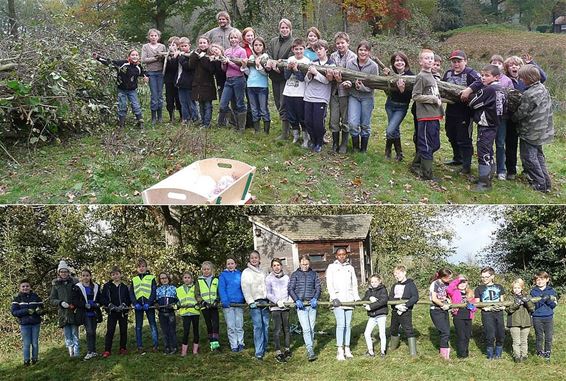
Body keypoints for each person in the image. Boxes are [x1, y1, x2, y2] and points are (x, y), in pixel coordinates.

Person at [512, 64, 554, 193]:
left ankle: (539, 184)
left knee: (529, 158)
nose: (520, 80)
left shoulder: (529, 94)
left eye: (522, 78)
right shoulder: (542, 88)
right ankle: (546, 182)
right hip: (542, 130)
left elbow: (521, 113)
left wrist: (512, 117)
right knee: (539, 156)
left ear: (528, 78)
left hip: (530, 131)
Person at [468, 64, 506, 191]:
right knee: (489, 150)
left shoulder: (488, 89)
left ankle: (484, 184)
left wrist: (473, 99)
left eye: (487, 76)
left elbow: (473, 103)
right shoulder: (502, 89)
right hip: (495, 124)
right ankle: (487, 176)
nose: (483, 78)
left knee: (483, 150)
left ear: (496, 77)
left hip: (486, 124)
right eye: (482, 75)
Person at [443, 50, 481, 174]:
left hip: (465, 112)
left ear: (465, 61)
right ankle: (457, 158)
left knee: (464, 138)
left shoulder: (471, 73)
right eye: (454, 61)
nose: (456, 64)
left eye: (459, 61)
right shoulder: (448, 73)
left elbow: (481, 81)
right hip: (450, 110)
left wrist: (469, 89)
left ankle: (466, 165)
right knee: (451, 134)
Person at [92, 50, 148, 129]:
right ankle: (121, 123)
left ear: (138, 57)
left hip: (132, 90)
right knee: (122, 106)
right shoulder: (122, 63)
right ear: (128, 56)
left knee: (136, 105)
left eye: (136, 55)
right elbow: (110, 62)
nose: (134, 56)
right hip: (122, 89)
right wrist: (98, 57)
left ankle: (140, 122)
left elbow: (143, 73)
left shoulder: (138, 66)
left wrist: (146, 77)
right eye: (132, 55)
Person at [411, 49, 443, 180]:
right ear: (420, 61)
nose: (430, 60)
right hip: (425, 116)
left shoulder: (432, 76)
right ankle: (426, 174)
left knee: (435, 144)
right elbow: (416, 96)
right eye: (426, 58)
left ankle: (416, 164)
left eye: (431, 58)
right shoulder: (421, 76)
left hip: (435, 115)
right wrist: (433, 100)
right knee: (426, 144)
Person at [343, 40, 378, 153]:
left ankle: (363, 149)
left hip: (367, 97)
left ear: (369, 52)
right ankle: (355, 147)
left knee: (365, 123)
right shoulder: (350, 63)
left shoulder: (373, 66)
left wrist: (362, 87)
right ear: (357, 51)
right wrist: (348, 83)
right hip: (354, 96)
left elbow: (375, 84)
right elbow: (347, 77)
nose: (363, 52)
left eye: (365, 50)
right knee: (353, 123)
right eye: (361, 50)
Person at [326, 248, 360, 361]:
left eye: (343, 254)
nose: (341, 256)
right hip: (338, 300)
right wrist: (333, 297)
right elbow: (329, 283)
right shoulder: (332, 267)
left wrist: (356, 297)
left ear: (346, 255)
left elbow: (354, 284)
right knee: (341, 325)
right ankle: (340, 350)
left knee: (348, 324)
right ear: (336, 256)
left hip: (349, 299)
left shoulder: (350, 268)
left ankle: (347, 348)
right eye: (339, 254)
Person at [288, 254, 321, 361]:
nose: (305, 266)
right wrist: (296, 299)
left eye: (306, 264)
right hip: (301, 306)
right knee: (306, 329)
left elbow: (318, 288)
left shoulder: (314, 274)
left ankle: (310, 347)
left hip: (312, 305)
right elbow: (291, 289)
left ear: (309, 263)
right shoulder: (295, 274)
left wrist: (315, 298)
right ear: (299, 263)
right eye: (303, 264)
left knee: (311, 328)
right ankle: (310, 350)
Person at [304, 39, 334, 152]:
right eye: (316, 49)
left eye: (320, 49)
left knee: (318, 122)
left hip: (321, 97)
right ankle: (313, 140)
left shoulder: (331, 64)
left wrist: (316, 73)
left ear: (326, 49)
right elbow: (306, 80)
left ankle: (319, 142)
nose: (318, 51)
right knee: (308, 121)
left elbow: (327, 81)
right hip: (309, 96)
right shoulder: (313, 62)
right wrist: (309, 73)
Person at [329, 32, 357, 153]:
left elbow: (353, 74)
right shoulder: (333, 56)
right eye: (338, 43)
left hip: (347, 92)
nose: (340, 45)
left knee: (345, 118)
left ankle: (344, 143)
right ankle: (335, 143)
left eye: (342, 43)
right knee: (334, 118)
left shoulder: (353, 57)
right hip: (334, 91)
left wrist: (343, 79)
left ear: (348, 43)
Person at [266, 18, 294, 140]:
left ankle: (285, 133)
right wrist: (271, 62)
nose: (284, 30)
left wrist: (279, 64)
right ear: (279, 29)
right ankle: (288, 127)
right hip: (274, 76)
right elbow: (269, 54)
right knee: (277, 103)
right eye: (282, 27)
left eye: (286, 27)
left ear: (290, 29)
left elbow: (291, 58)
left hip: (285, 77)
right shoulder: (273, 41)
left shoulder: (293, 42)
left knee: (284, 103)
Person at [384, 51, 414, 161]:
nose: (399, 62)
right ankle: (398, 153)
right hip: (390, 105)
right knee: (394, 129)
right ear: (393, 63)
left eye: (401, 60)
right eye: (397, 60)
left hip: (401, 107)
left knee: (390, 130)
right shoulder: (391, 74)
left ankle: (387, 150)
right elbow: (387, 92)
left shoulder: (411, 76)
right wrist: (387, 79)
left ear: (405, 62)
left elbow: (411, 96)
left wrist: (402, 90)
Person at [241, 250, 270, 360]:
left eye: (256, 257)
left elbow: (267, 284)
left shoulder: (264, 271)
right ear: (249, 259)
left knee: (266, 325)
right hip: (255, 302)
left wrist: (269, 298)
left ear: (259, 259)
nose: (254, 259)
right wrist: (250, 301)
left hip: (265, 301)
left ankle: (265, 346)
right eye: (252, 258)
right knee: (258, 326)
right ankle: (259, 351)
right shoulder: (246, 272)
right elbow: (245, 287)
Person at [489, 55, 514, 180]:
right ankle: (488, 168)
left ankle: (501, 170)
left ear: (502, 65)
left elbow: (512, 99)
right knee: (487, 144)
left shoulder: (507, 81)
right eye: (494, 62)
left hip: (502, 118)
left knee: (500, 144)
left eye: (499, 62)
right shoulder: (486, 78)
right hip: (488, 117)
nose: (496, 64)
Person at [218, 30, 248, 132]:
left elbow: (241, 68)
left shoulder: (242, 51)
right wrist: (224, 63)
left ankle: (241, 127)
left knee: (239, 103)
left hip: (239, 79)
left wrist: (229, 62)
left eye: (235, 38)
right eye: (231, 38)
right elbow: (224, 69)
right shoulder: (226, 51)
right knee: (223, 105)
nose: (233, 40)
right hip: (228, 80)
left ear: (239, 39)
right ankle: (234, 122)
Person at [283, 38, 310, 146]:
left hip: (300, 93)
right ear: (293, 49)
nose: (298, 51)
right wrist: (289, 68)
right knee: (291, 115)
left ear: (304, 49)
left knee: (301, 116)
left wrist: (295, 70)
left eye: (301, 49)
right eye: (296, 49)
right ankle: (295, 136)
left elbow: (302, 78)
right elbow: (286, 76)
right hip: (289, 92)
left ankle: (305, 138)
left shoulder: (307, 61)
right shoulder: (289, 59)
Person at [50, 260, 80, 358]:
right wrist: (60, 302)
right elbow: (52, 299)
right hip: (63, 313)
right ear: (59, 273)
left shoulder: (74, 282)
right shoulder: (56, 285)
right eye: (62, 272)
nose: (64, 273)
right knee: (67, 333)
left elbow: (78, 296)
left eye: (65, 271)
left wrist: (74, 304)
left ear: (68, 272)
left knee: (75, 332)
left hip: (73, 311)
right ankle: (70, 351)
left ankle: (77, 352)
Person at [474, 266, 505, 359]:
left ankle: (498, 354)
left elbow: (502, 300)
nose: (484, 279)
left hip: (498, 313)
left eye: (486, 277)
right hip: (487, 314)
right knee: (489, 334)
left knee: (500, 333)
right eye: (482, 277)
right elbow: (477, 303)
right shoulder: (479, 288)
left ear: (492, 276)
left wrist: (501, 306)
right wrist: (484, 307)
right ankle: (490, 355)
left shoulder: (499, 287)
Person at [72, 269, 103, 361]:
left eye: (87, 275)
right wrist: (84, 305)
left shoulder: (96, 287)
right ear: (81, 277)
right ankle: (89, 351)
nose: (85, 277)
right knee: (89, 331)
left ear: (90, 276)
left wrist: (98, 304)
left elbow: (99, 298)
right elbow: (75, 300)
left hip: (94, 312)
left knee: (93, 331)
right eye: (83, 276)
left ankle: (93, 351)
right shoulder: (77, 287)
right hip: (84, 312)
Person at [11, 279, 44, 366]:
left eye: (27, 286)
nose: (25, 288)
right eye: (23, 286)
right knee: (26, 344)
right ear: (20, 288)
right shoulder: (17, 298)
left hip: (35, 323)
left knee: (35, 343)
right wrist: (26, 311)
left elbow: (42, 309)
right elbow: (14, 312)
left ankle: (35, 359)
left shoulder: (36, 296)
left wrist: (39, 311)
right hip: (24, 324)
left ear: (30, 287)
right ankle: (26, 361)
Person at [388, 265, 419, 357]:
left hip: (406, 311)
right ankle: (393, 347)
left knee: (408, 329)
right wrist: (397, 305)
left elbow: (415, 297)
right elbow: (391, 297)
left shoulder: (411, 284)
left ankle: (413, 352)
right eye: (395, 274)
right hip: (395, 310)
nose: (397, 276)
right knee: (393, 328)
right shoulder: (394, 285)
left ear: (404, 272)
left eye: (398, 273)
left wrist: (406, 305)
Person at [101, 266, 131, 358]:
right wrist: (110, 305)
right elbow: (103, 298)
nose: (115, 276)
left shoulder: (124, 286)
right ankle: (107, 350)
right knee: (110, 331)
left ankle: (123, 348)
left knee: (123, 330)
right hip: (112, 312)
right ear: (111, 276)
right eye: (113, 274)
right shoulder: (107, 286)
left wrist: (124, 305)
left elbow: (128, 298)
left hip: (122, 312)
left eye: (117, 274)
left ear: (120, 274)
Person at [130, 258, 159, 353]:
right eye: (139, 267)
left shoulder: (151, 278)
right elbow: (132, 293)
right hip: (138, 306)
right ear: (136, 268)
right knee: (138, 326)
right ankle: (140, 346)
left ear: (146, 267)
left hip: (148, 305)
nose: (141, 268)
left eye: (143, 266)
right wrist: (135, 303)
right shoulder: (134, 279)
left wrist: (149, 302)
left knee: (152, 325)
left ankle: (155, 345)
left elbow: (153, 291)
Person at [188, 36, 217, 129]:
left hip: (208, 84)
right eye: (200, 43)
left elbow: (211, 69)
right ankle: (202, 121)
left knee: (208, 105)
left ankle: (207, 123)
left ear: (208, 44)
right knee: (200, 104)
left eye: (204, 43)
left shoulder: (211, 55)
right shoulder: (195, 54)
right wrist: (195, 56)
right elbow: (191, 65)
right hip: (197, 84)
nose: (202, 44)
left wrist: (203, 58)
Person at [266, 258, 291, 363]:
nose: (277, 267)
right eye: (274, 265)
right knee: (277, 330)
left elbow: (290, 290)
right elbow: (268, 293)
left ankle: (287, 349)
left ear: (281, 266)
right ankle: (278, 350)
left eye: (278, 265)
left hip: (285, 306)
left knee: (286, 328)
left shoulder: (286, 278)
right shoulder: (269, 278)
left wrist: (289, 301)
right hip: (275, 307)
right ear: (272, 267)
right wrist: (276, 301)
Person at [446, 275, 477, 358]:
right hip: (458, 316)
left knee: (467, 336)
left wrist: (473, 308)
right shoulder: (454, 291)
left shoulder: (470, 292)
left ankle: (466, 353)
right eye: (460, 283)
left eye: (464, 282)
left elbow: (475, 306)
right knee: (461, 336)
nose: (462, 284)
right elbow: (449, 288)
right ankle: (461, 355)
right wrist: (458, 280)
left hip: (468, 316)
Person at [218, 256, 245, 352]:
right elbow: (221, 288)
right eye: (228, 264)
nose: (230, 265)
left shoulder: (240, 274)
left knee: (239, 325)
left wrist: (244, 299)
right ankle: (234, 344)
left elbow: (243, 287)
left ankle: (240, 342)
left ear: (235, 264)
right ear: (226, 265)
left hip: (239, 303)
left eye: (232, 263)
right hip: (228, 304)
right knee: (231, 326)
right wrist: (225, 301)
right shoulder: (223, 275)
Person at [141, 28, 167, 125]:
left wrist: (162, 57)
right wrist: (156, 58)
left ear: (158, 37)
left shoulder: (162, 46)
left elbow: (165, 58)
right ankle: (153, 117)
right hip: (151, 72)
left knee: (160, 95)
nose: (153, 37)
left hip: (161, 72)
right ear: (148, 37)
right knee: (154, 95)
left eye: (155, 35)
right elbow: (143, 59)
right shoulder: (145, 47)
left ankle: (160, 116)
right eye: (151, 35)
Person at [506, 278, 535, 362]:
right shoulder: (509, 297)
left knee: (524, 341)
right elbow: (508, 310)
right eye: (515, 288)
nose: (516, 289)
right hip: (514, 322)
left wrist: (527, 302)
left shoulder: (528, 296)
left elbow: (532, 308)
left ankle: (524, 355)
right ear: (512, 289)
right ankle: (517, 356)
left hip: (526, 322)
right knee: (516, 341)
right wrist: (516, 304)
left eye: (518, 287)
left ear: (522, 288)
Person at [530, 271, 557, 361]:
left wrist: (548, 299)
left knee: (548, 336)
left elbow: (553, 305)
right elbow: (534, 306)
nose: (539, 281)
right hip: (537, 317)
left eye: (542, 279)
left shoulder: (551, 290)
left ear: (547, 279)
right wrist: (543, 299)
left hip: (548, 317)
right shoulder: (533, 291)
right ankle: (539, 352)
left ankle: (547, 352)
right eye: (537, 280)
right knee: (539, 336)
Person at [246, 37, 271, 134]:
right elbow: (249, 73)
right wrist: (244, 67)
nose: (257, 47)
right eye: (256, 45)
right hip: (250, 85)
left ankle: (266, 131)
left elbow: (265, 73)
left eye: (260, 45)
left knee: (263, 108)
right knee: (254, 108)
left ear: (263, 47)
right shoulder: (251, 57)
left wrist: (258, 66)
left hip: (262, 86)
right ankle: (257, 130)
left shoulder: (265, 57)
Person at [196, 261, 221, 351]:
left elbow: (219, 292)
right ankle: (212, 343)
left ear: (211, 270)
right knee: (209, 325)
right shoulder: (199, 281)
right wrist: (203, 302)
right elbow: (197, 294)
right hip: (205, 306)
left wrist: (217, 300)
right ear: (202, 270)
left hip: (214, 306)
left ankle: (216, 344)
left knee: (215, 325)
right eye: (204, 269)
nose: (206, 271)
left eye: (208, 269)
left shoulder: (216, 279)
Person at [428, 268, 453, 360]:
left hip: (445, 310)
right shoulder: (435, 284)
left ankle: (445, 353)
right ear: (443, 277)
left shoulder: (447, 284)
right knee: (445, 332)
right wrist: (442, 305)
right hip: (436, 310)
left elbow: (448, 294)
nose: (450, 279)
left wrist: (448, 300)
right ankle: (444, 356)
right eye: (448, 277)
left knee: (447, 331)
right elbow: (434, 298)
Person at [362, 274, 388, 358]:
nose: (373, 283)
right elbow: (364, 299)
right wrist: (367, 300)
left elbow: (383, 300)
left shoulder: (383, 289)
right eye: (372, 281)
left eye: (375, 281)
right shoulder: (369, 291)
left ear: (379, 281)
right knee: (366, 333)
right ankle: (370, 351)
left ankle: (383, 351)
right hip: (372, 315)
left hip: (381, 314)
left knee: (382, 334)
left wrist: (371, 306)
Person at [177, 272, 200, 356]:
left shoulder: (195, 288)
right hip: (185, 313)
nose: (187, 279)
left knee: (196, 331)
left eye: (188, 277)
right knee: (186, 331)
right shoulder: (178, 289)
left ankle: (195, 351)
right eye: (185, 277)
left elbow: (199, 299)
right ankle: (184, 351)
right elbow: (177, 300)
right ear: (183, 279)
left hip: (194, 312)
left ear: (192, 279)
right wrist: (178, 305)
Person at [176, 37, 199, 125]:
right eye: (181, 46)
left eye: (185, 46)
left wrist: (181, 58)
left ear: (189, 46)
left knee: (191, 102)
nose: (183, 48)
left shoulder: (192, 55)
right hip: (181, 82)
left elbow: (188, 66)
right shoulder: (179, 55)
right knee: (183, 102)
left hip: (190, 82)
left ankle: (195, 118)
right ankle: (186, 118)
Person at [156, 273, 178, 355]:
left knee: (172, 331)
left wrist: (174, 305)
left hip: (170, 313)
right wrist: (156, 304)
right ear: (159, 280)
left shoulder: (173, 288)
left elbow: (177, 301)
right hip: (162, 313)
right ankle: (167, 348)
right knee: (164, 331)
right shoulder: (158, 290)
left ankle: (174, 347)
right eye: (162, 278)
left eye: (165, 278)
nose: (164, 279)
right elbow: (155, 301)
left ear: (168, 278)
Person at [163, 36, 182, 123]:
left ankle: (182, 116)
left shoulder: (180, 55)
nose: (171, 46)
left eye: (173, 44)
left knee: (178, 98)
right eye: (169, 44)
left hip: (177, 79)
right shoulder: (165, 56)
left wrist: (175, 56)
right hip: (168, 80)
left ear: (178, 46)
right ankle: (171, 116)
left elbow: (175, 67)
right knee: (169, 98)